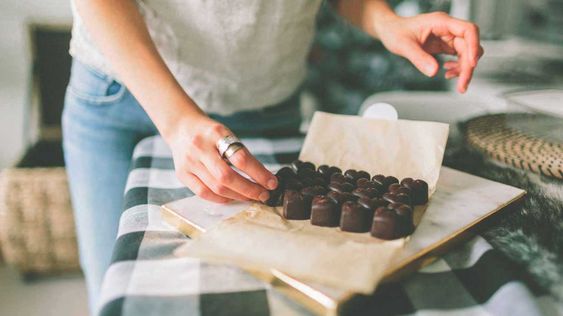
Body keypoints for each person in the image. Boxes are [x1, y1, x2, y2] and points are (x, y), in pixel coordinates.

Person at [63, 0, 483, 312]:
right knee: (123, 294)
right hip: (123, 94)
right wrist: (176, 121)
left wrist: (386, 22)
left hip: (266, 103)